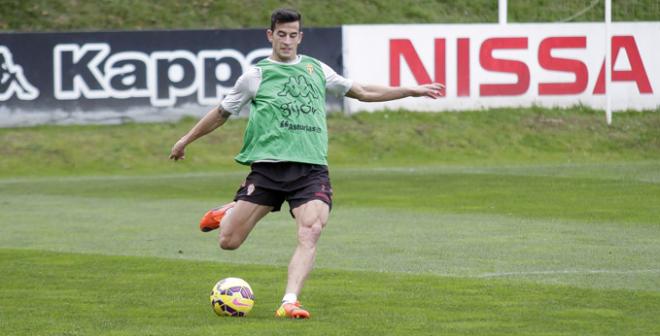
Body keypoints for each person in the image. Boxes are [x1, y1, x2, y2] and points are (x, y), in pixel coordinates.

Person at [169, 8, 443, 319]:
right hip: (268, 170)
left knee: (311, 230)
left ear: (300, 37)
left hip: (310, 170)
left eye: (293, 35)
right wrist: (185, 140)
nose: (287, 41)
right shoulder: (255, 76)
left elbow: (363, 92)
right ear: (270, 35)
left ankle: (289, 301)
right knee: (228, 242)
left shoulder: (316, 70)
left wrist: (411, 90)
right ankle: (230, 210)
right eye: (281, 34)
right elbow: (221, 113)